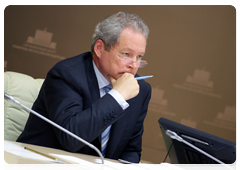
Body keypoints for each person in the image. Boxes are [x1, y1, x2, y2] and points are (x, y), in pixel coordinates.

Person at [17, 11, 152, 163]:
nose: (134, 66)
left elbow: (131, 151)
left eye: (139, 57)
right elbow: (71, 138)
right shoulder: (66, 75)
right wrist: (117, 96)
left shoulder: (140, 90)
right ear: (100, 48)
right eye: (126, 54)